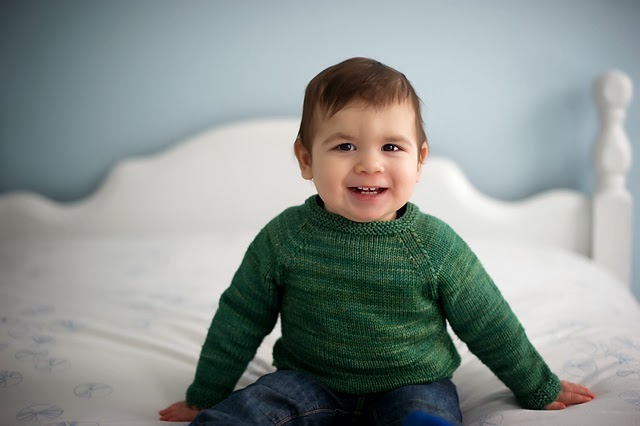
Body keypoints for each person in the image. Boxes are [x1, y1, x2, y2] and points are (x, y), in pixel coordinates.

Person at [159, 57, 595, 425]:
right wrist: (206, 393)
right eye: (345, 146)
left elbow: (489, 321)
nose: (370, 164)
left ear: (420, 160)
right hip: (309, 380)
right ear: (306, 158)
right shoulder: (286, 238)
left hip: (414, 381)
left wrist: (537, 385)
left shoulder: (434, 245)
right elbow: (240, 317)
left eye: (391, 147)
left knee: (426, 414)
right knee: (250, 409)